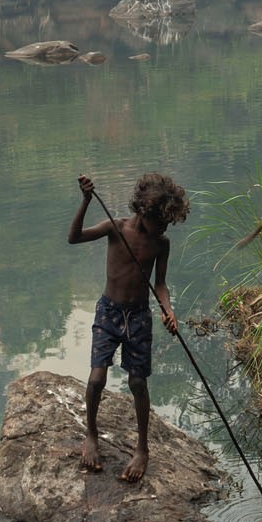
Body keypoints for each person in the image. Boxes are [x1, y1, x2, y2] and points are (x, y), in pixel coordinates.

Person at [70, 171, 186, 481]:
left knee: (138, 383)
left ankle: (142, 449)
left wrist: (168, 310)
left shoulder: (161, 244)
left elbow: (160, 284)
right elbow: (74, 237)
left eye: (167, 224)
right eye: (160, 222)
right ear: (144, 211)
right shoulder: (116, 228)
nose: (164, 228)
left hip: (138, 316)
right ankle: (91, 435)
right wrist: (85, 201)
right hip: (108, 312)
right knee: (97, 378)